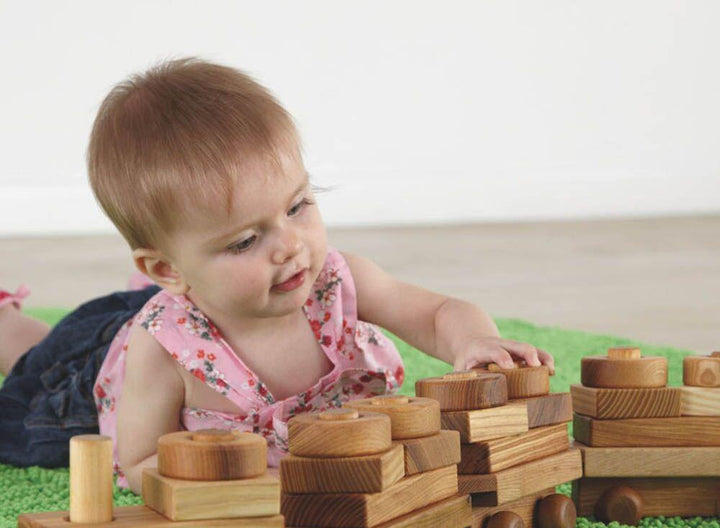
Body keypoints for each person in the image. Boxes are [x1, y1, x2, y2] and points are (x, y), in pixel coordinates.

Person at [0, 56, 553, 494]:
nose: (290, 247)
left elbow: (436, 314)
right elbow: (139, 462)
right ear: (167, 267)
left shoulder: (335, 283)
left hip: (201, 295)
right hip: (99, 368)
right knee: (35, 372)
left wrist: (476, 339)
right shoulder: (161, 350)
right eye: (245, 240)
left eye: (297, 207)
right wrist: (247, 484)